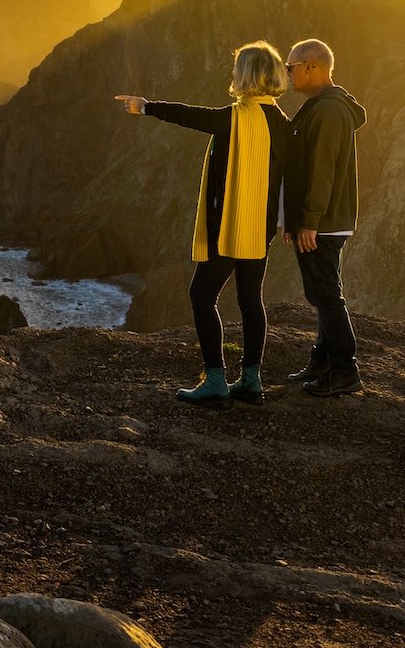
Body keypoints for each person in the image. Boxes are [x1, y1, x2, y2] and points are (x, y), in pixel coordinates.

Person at [115, 41, 291, 406]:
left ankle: (215, 381)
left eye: (237, 69)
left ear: (247, 76)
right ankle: (251, 381)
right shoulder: (283, 124)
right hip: (260, 228)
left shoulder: (235, 117)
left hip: (226, 227)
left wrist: (146, 107)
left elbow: (191, 115)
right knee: (250, 299)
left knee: (202, 294)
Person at [281, 38, 368, 396]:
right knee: (322, 291)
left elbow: (323, 169)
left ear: (311, 67)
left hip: (324, 222)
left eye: (291, 67)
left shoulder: (329, 110)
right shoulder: (321, 106)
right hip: (322, 219)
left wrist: (311, 220)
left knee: (325, 294)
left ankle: (345, 370)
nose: (287, 74)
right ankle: (322, 361)